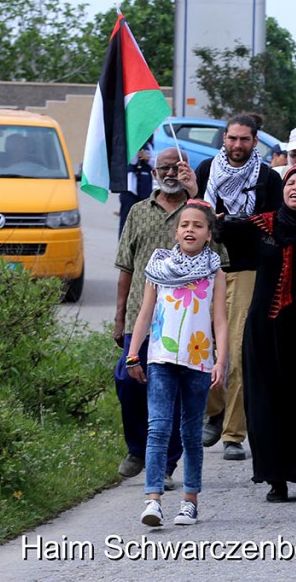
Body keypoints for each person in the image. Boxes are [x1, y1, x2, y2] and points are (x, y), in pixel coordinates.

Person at [222, 166, 296, 502]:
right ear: (283, 189)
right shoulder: (262, 227)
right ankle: (275, 477)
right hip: (264, 332)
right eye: (291, 182)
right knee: (266, 402)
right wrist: (197, 194)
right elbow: (219, 229)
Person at [125, 199, 228, 527]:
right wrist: (133, 354)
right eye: (185, 225)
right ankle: (152, 499)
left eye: (198, 226)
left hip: (198, 362)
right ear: (176, 230)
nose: (190, 230)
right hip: (161, 358)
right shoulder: (158, 266)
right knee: (158, 428)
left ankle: (189, 501)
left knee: (190, 433)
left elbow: (221, 321)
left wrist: (220, 361)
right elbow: (145, 312)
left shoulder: (215, 271)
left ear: (208, 234)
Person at [195, 113, 283, 461]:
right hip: (208, 268)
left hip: (248, 269)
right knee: (205, 347)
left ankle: (234, 433)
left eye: (244, 140)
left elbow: (275, 225)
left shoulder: (268, 178)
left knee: (237, 351)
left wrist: (246, 224)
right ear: (224, 139)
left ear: (255, 141)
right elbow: (196, 212)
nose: (237, 145)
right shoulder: (206, 171)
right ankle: (213, 412)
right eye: (232, 138)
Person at [113, 147, 197, 487]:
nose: (171, 173)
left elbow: (219, 256)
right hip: (140, 318)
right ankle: (136, 449)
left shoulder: (197, 211)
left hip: (184, 318)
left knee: (172, 391)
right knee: (126, 378)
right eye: (165, 167)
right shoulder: (137, 212)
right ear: (155, 172)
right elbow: (124, 268)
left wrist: (197, 196)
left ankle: (164, 463)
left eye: (178, 167)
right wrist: (119, 318)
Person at [119, 139, 154, 238]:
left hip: (145, 188)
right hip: (130, 189)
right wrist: (136, 152)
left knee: (143, 221)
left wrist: (147, 158)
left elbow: (155, 163)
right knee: (126, 221)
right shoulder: (128, 144)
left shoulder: (148, 146)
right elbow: (131, 161)